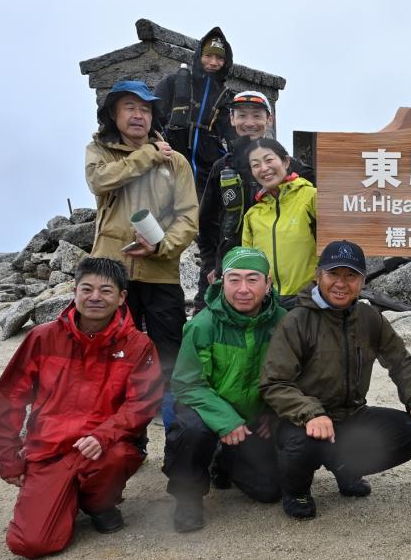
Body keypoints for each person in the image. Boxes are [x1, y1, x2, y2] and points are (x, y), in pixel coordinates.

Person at [0, 258, 161, 558]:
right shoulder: (43, 337)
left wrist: (105, 434)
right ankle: (63, 496)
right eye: (87, 289)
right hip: (49, 450)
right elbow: (9, 397)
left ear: (121, 297)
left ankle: (98, 504)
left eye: (106, 291)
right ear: (75, 291)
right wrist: (9, 457)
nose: (95, 297)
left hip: (101, 448)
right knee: (30, 544)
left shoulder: (137, 344)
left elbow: (142, 404)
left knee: (120, 455)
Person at [260, 240, 411, 520]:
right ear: (318, 275)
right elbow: (274, 383)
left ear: (362, 280)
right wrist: (311, 414)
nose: (341, 283)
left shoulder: (369, 317)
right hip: (300, 420)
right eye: (333, 274)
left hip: (352, 414)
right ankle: (297, 491)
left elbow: (399, 360)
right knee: (303, 444)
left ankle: (344, 466)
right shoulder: (296, 320)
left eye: (350, 276)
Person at [85, 80, 198, 427]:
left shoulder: (175, 161)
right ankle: (125, 439)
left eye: (146, 109)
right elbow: (100, 182)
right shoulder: (99, 152)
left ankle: (176, 436)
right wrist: (147, 155)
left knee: (169, 357)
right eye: (130, 108)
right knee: (115, 357)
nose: (138, 115)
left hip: (160, 272)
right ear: (114, 115)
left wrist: (161, 246)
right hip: (111, 274)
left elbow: (188, 216)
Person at [163, 247, 288, 532]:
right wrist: (225, 419)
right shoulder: (203, 325)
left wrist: (274, 410)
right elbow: (186, 383)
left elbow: (292, 374)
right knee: (190, 429)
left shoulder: (283, 322)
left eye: (252, 279)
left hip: (253, 418)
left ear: (268, 284)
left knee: (269, 490)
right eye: (234, 279)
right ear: (221, 283)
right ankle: (188, 496)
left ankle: (224, 460)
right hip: (207, 412)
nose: (243, 289)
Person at [197, 92, 314, 307]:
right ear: (232, 119)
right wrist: (210, 265)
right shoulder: (222, 168)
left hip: (276, 276)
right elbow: (206, 223)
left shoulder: (290, 167)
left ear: (269, 119)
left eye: (257, 116)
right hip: (227, 269)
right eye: (241, 115)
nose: (249, 123)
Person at [155, 27, 236, 195]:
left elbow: (233, 136)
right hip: (171, 161)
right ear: (199, 56)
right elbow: (153, 119)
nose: (214, 62)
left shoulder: (226, 97)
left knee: (204, 216)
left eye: (220, 58)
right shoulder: (173, 82)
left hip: (208, 171)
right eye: (208, 56)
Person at [240, 137, 318, 303]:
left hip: (308, 300)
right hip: (268, 303)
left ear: (286, 161)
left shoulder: (311, 197)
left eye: (269, 160)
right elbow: (249, 263)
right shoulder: (253, 214)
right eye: (256, 165)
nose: (264, 168)